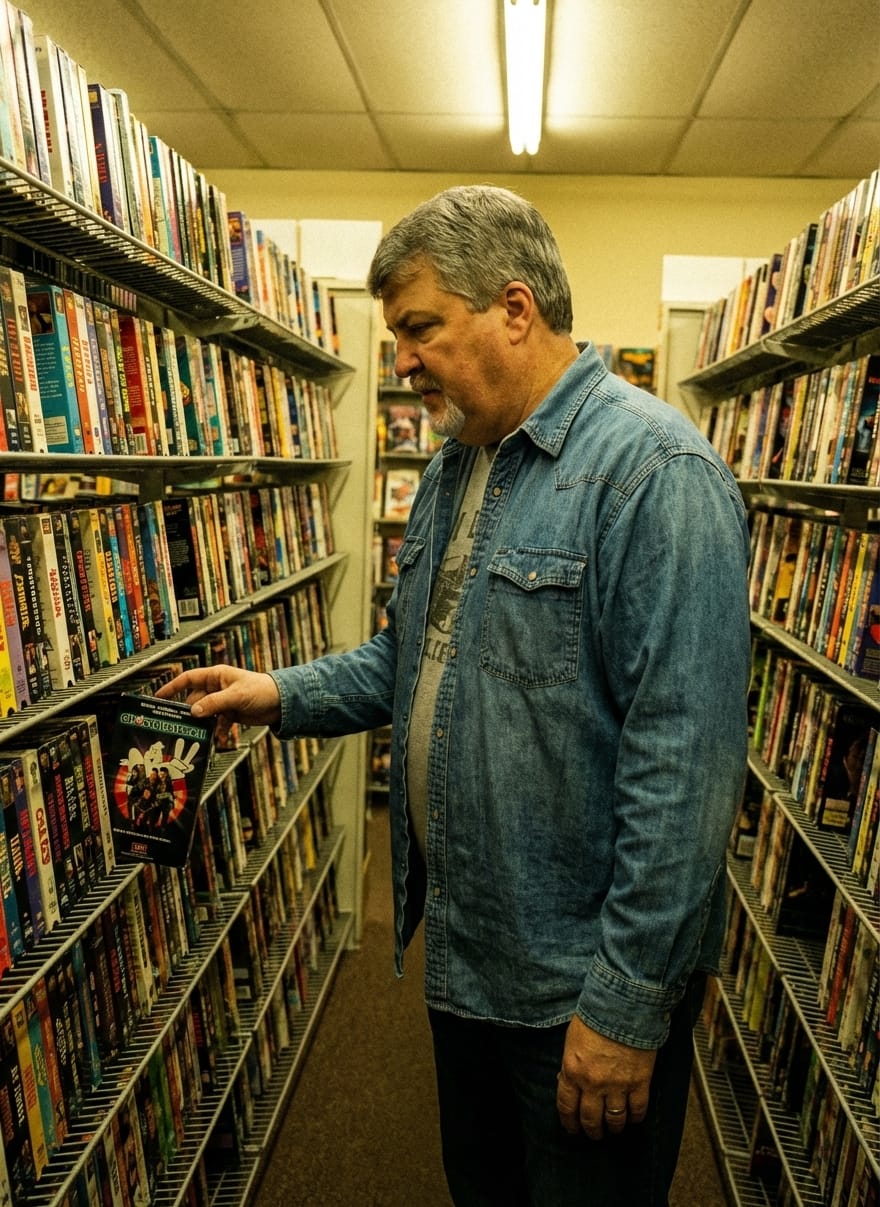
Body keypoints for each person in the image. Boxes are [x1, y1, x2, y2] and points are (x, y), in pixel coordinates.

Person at [157, 185, 751, 1206]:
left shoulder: (657, 474)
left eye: (421, 327)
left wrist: (623, 1007)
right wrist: (278, 693)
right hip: (468, 957)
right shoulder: (454, 467)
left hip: (575, 986)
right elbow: (413, 658)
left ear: (513, 308)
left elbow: (685, 771)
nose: (402, 360)